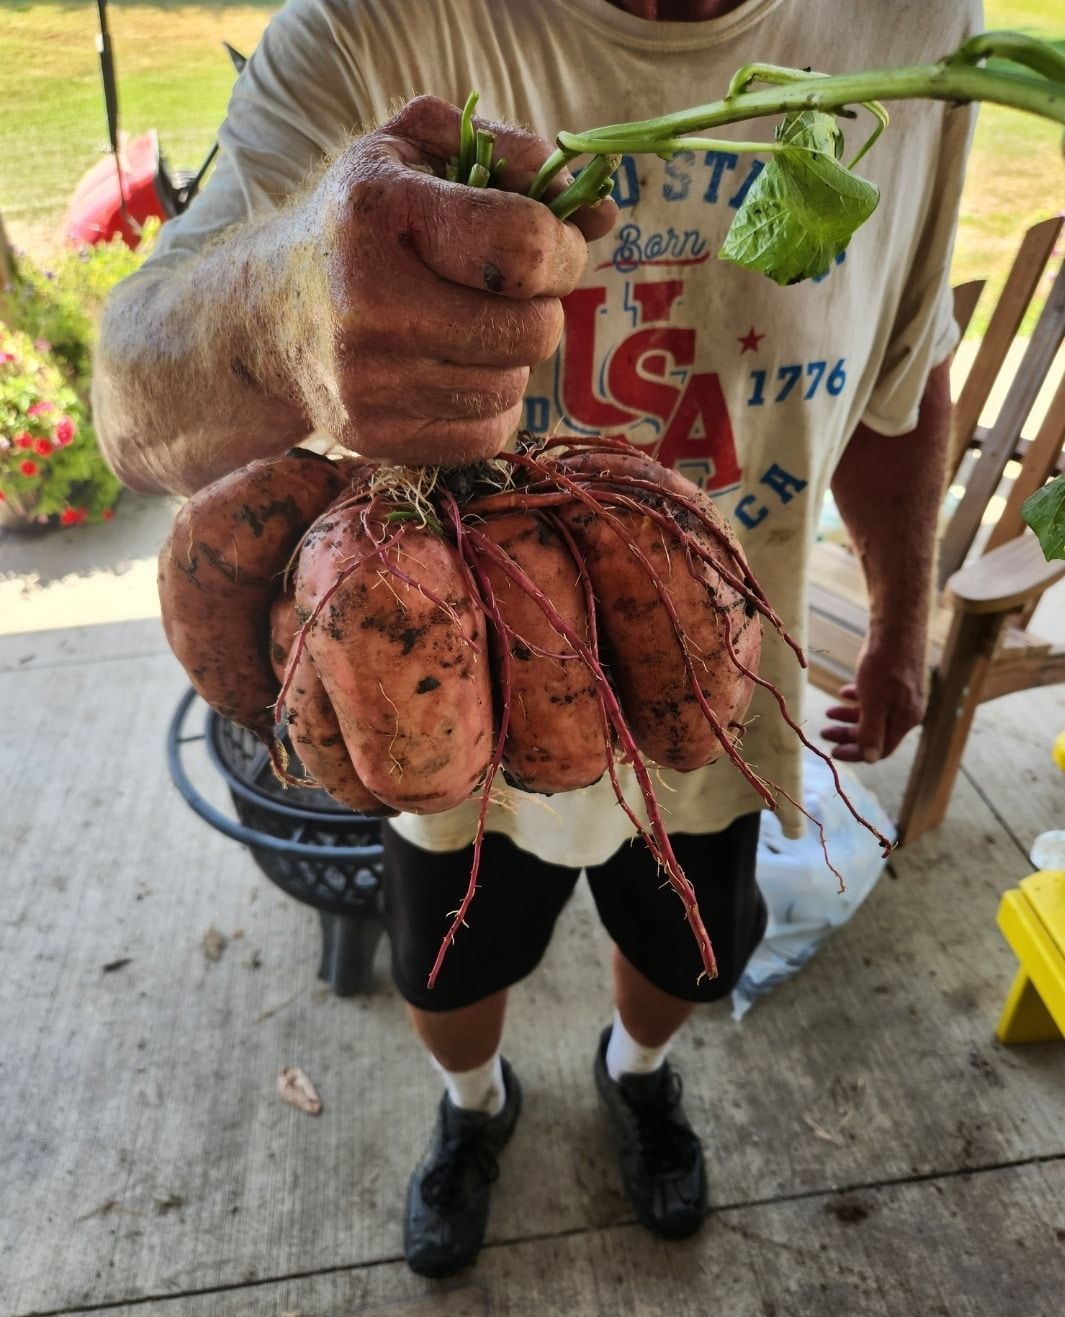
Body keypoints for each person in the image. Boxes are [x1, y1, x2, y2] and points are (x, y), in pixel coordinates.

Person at [95, 0, 980, 1279]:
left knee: (689, 945)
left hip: (703, 667)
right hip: (431, 676)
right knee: (451, 970)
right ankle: (475, 1112)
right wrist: (286, 306)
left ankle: (640, 1076)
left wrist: (907, 620)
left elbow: (905, 368)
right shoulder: (373, 30)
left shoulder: (921, 30)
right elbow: (132, 392)